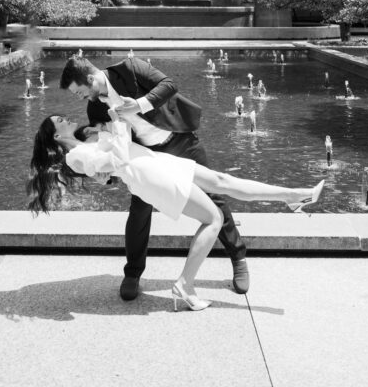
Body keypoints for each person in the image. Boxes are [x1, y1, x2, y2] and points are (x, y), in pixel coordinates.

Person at [28, 114, 325, 311]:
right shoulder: (75, 156)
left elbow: (107, 171)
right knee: (213, 218)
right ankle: (185, 286)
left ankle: (294, 197)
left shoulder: (84, 142)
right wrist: (117, 124)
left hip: (155, 161)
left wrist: (101, 131)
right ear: (54, 135)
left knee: (223, 182)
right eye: (60, 121)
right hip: (150, 176)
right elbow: (117, 161)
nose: (67, 118)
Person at [59, 55, 250, 300]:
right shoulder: (95, 107)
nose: (80, 97)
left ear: (90, 78)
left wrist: (138, 105)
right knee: (139, 210)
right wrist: (105, 177)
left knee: (216, 197)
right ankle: (133, 273)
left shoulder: (129, 68)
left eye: (79, 92)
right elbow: (105, 149)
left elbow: (169, 85)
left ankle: (238, 257)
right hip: (148, 157)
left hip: (179, 139)